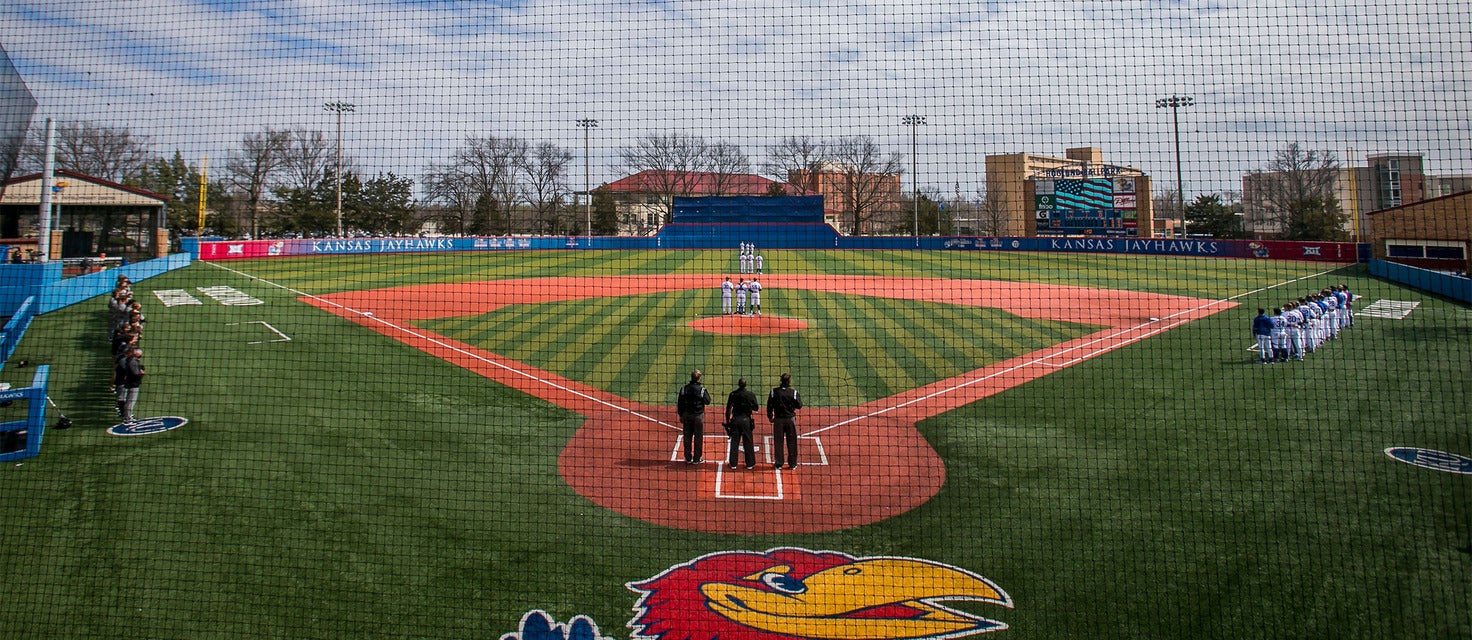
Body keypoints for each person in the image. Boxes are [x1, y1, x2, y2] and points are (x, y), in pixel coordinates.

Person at [766, 372, 803, 469]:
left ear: (781, 381)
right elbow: (799, 405)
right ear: (789, 382)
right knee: (792, 442)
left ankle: (779, 463)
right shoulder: (793, 393)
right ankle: (792, 464)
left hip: (778, 420)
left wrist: (770, 416)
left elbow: (769, 406)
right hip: (790, 420)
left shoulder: (774, 392)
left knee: (778, 442)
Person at [676, 369, 712, 464]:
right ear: (699, 378)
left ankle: (688, 458)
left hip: (686, 416)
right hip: (697, 417)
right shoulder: (701, 390)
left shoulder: (684, 388)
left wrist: (681, 415)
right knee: (698, 437)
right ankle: (696, 458)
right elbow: (708, 401)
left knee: (687, 437)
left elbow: (680, 403)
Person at [724, 378, 760, 470]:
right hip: (746, 420)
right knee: (748, 441)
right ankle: (750, 464)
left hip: (736, 420)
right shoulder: (750, 395)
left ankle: (733, 464)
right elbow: (756, 408)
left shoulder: (733, 394)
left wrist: (728, 423)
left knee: (734, 442)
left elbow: (728, 410)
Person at [118, 347, 145, 423]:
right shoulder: (132, 362)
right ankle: (127, 418)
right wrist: (141, 373)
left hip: (131, 382)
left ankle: (128, 416)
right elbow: (135, 373)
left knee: (130, 401)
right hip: (133, 383)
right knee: (131, 401)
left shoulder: (130, 360)